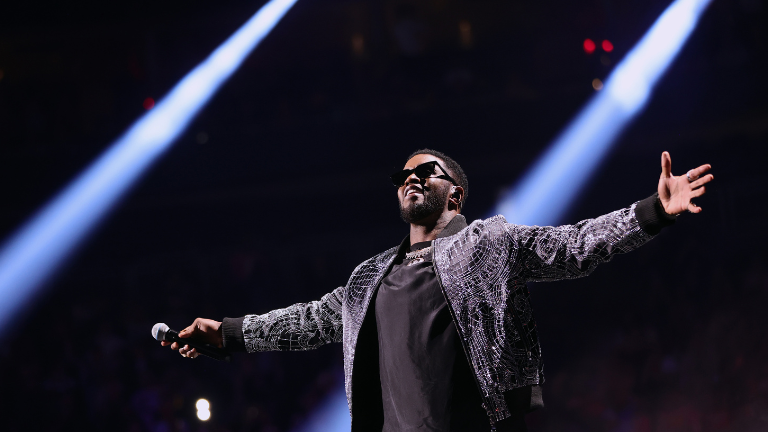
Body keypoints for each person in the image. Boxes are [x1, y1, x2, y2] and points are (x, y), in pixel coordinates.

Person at [160, 149, 713, 431]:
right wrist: (229, 333)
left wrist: (654, 212)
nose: (412, 177)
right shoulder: (368, 278)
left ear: (455, 194)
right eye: (404, 174)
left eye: (427, 169)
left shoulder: (488, 243)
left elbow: (573, 247)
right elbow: (305, 321)